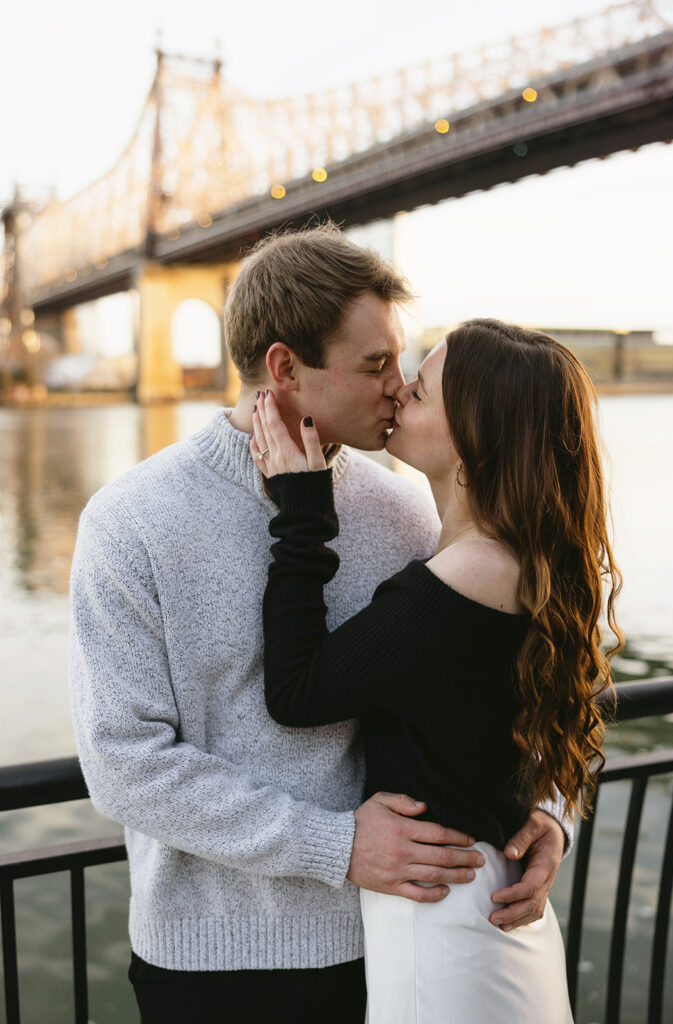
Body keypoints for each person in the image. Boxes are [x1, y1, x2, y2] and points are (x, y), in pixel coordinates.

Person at [69, 226, 571, 1024]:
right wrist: (333, 847)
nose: (396, 389)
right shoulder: (131, 521)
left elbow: (508, 675)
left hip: (395, 939)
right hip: (216, 961)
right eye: (374, 365)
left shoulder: (406, 507)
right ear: (284, 369)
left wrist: (541, 810)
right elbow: (124, 760)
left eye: (400, 365)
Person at [249, 318, 622, 1022]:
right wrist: (551, 817)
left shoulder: (468, 574)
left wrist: (301, 511)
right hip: (488, 904)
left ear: (473, 436)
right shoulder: (521, 559)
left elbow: (295, 692)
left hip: (443, 928)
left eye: (418, 390)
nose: (395, 394)